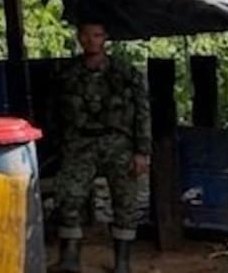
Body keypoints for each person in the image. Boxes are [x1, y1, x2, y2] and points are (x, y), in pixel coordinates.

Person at [53, 21, 150, 273]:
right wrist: (59, 145)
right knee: (68, 196)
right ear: (79, 38)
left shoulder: (124, 72)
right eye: (85, 35)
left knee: (125, 201)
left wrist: (142, 151)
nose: (91, 40)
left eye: (96, 35)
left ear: (105, 38)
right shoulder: (67, 72)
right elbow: (55, 112)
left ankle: (122, 262)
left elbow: (142, 112)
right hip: (80, 143)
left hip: (118, 143)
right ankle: (70, 257)